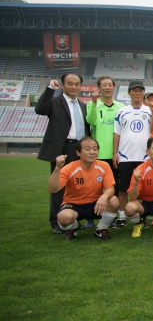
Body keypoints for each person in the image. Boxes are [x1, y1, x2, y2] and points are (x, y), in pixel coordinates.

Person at [36, 74, 91, 234]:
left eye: (76, 84)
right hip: (62, 149)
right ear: (63, 85)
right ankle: (56, 221)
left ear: (81, 86)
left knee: (79, 185)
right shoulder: (55, 101)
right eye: (69, 84)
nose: (73, 87)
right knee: (59, 186)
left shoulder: (83, 106)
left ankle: (74, 217)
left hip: (80, 149)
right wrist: (49, 90)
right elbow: (39, 109)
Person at [48, 137, 118, 241]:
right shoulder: (70, 167)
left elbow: (110, 188)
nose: (92, 152)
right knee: (63, 217)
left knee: (113, 201)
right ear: (78, 152)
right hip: (74, 204)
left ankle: (101, 229)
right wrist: (58, 168)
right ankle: (74, 227)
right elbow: (53, 189)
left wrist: (104, 196)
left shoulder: (104, 166)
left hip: (96, 204)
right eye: (87, 149)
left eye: (95, 149)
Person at [84, 76, 124, 229]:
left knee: (112, 188)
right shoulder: (93, 105)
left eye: (110, 85)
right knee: (93, 188)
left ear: (114, 87)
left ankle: (110, 216)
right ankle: (89, 217)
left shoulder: (120, 106)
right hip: (97, 155)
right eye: (104, 85)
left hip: (115, 155)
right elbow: (91, 121)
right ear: (99, 88)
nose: (107, 87)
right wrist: (94, 103)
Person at [113, 80, 153, 228]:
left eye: (140, 90)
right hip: (124, 156)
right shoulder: (122, 111)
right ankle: (122, 217)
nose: (138, 93)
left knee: (141, 190)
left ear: (144, 93)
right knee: (123, 189)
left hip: (144, 157)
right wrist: (114, 153)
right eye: (134, 90)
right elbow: (116, 133)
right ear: (129, 93)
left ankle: (140, 217)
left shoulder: (149, 110)